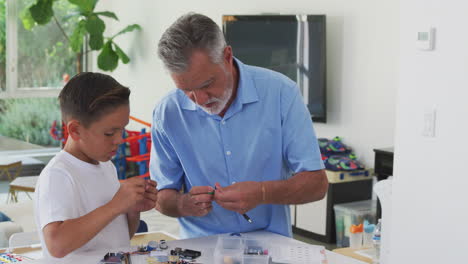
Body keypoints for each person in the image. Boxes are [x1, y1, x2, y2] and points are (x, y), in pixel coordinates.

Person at [151, 13, 328, 239]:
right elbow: (161, 196)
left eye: (207, 84)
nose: (200, 99)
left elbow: (317, 184)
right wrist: (183, 204)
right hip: (200, 249)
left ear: (227, 56)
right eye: (186, 90)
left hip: (271, 245)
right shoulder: (167, 113)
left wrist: (262, 193)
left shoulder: (281, 93)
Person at [34, 72, 158, 260]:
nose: (119, 139)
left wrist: (132, 209)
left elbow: (118, 239)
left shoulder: (107, 167)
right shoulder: (58, 175)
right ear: (75, 130)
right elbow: (57, 245)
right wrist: (115, 205)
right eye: (109, 133)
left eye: (122, 129)